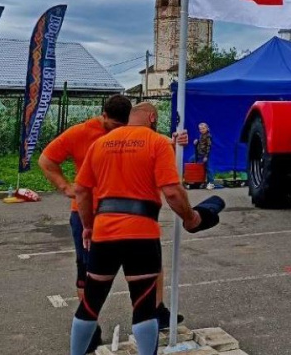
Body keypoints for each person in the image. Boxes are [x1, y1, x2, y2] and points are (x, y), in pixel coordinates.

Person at [39, 96, 185, 351]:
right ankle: (91, 332)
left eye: (122, 124)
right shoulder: (80, 133)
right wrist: (65, 187)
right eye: (113, 125)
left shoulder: (126, 138)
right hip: (94, 216)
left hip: (113, 222)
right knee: (87, 275)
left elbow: (157, 146)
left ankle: (156, 310)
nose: (118, 131)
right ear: (103, 116)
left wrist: (176, 142)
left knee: (143, 280)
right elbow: (47, 160)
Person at [69, 102, 202, 355]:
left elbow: (81, 190)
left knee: (91, 302)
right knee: (143, 305)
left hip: (104, 232)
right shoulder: (156, 142)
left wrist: (88, 226)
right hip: (141, 235)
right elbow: (173, 192)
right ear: (152, 117)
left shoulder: (101, 144)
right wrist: (190, 217)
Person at [193, 122, 215, 190]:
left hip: (205, 154)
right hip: (199, 154)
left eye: (203, 128)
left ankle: (211, 183)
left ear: (207, 128)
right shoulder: (201, 135)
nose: (202, 130)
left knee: (208, 168)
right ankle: (199, 181)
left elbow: (208, 146)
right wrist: (196, 142)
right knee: (192, 161)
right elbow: (201, 144)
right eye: (200, 129)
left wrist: (206, 156)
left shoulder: (208, 136)